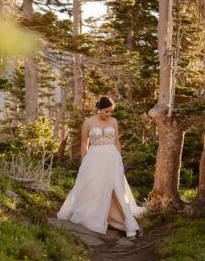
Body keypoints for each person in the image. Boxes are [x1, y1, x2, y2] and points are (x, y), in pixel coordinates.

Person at [57, 96, 145, 237]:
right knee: (95, 186)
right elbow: (84, 143)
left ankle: (127, 222)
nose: (109, 114)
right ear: (99, 109)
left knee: (117, 188)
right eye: (106, 111)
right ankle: (95, 216)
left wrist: (119, 158)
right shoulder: (89, 122)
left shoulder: (114, 121)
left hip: (111, 158)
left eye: (111, 111)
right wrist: (85, 161)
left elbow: (116, 141)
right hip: (94, 158)